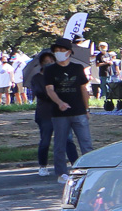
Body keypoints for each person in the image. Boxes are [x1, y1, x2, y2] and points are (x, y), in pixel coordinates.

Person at [38, 37, 94, 180]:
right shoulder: (50, 70)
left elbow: (83, 89)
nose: (59, 52)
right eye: (56, 50)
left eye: (62, 50)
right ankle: (61, 173)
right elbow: (49, 89)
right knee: (60, 145)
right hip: (59, 114)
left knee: (86, 143)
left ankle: (90, 171)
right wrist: (60, 102)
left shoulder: (77, 68)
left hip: (79, 111)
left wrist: (87, 109)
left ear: (69, 52)